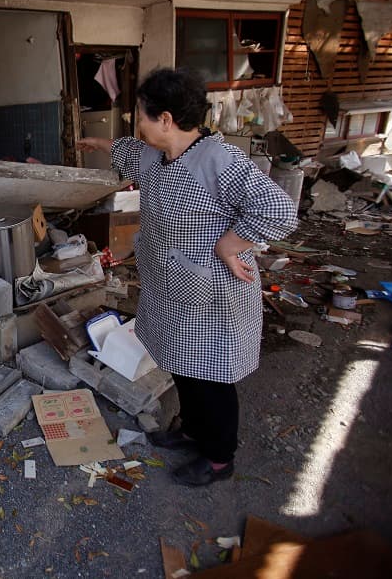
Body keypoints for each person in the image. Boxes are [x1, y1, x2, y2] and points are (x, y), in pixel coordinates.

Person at [77, 67, 297, 487]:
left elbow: (279, 211)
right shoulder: (152, 155)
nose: (136, 124)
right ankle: (193, 430)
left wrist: (229, 245)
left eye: (141, 115)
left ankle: (219, 457)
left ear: (165, 119)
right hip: (169, 286)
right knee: (182, 365)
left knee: (210, 377)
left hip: (209, 293)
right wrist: (98, 143)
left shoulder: (219, 160)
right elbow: (124, 150)